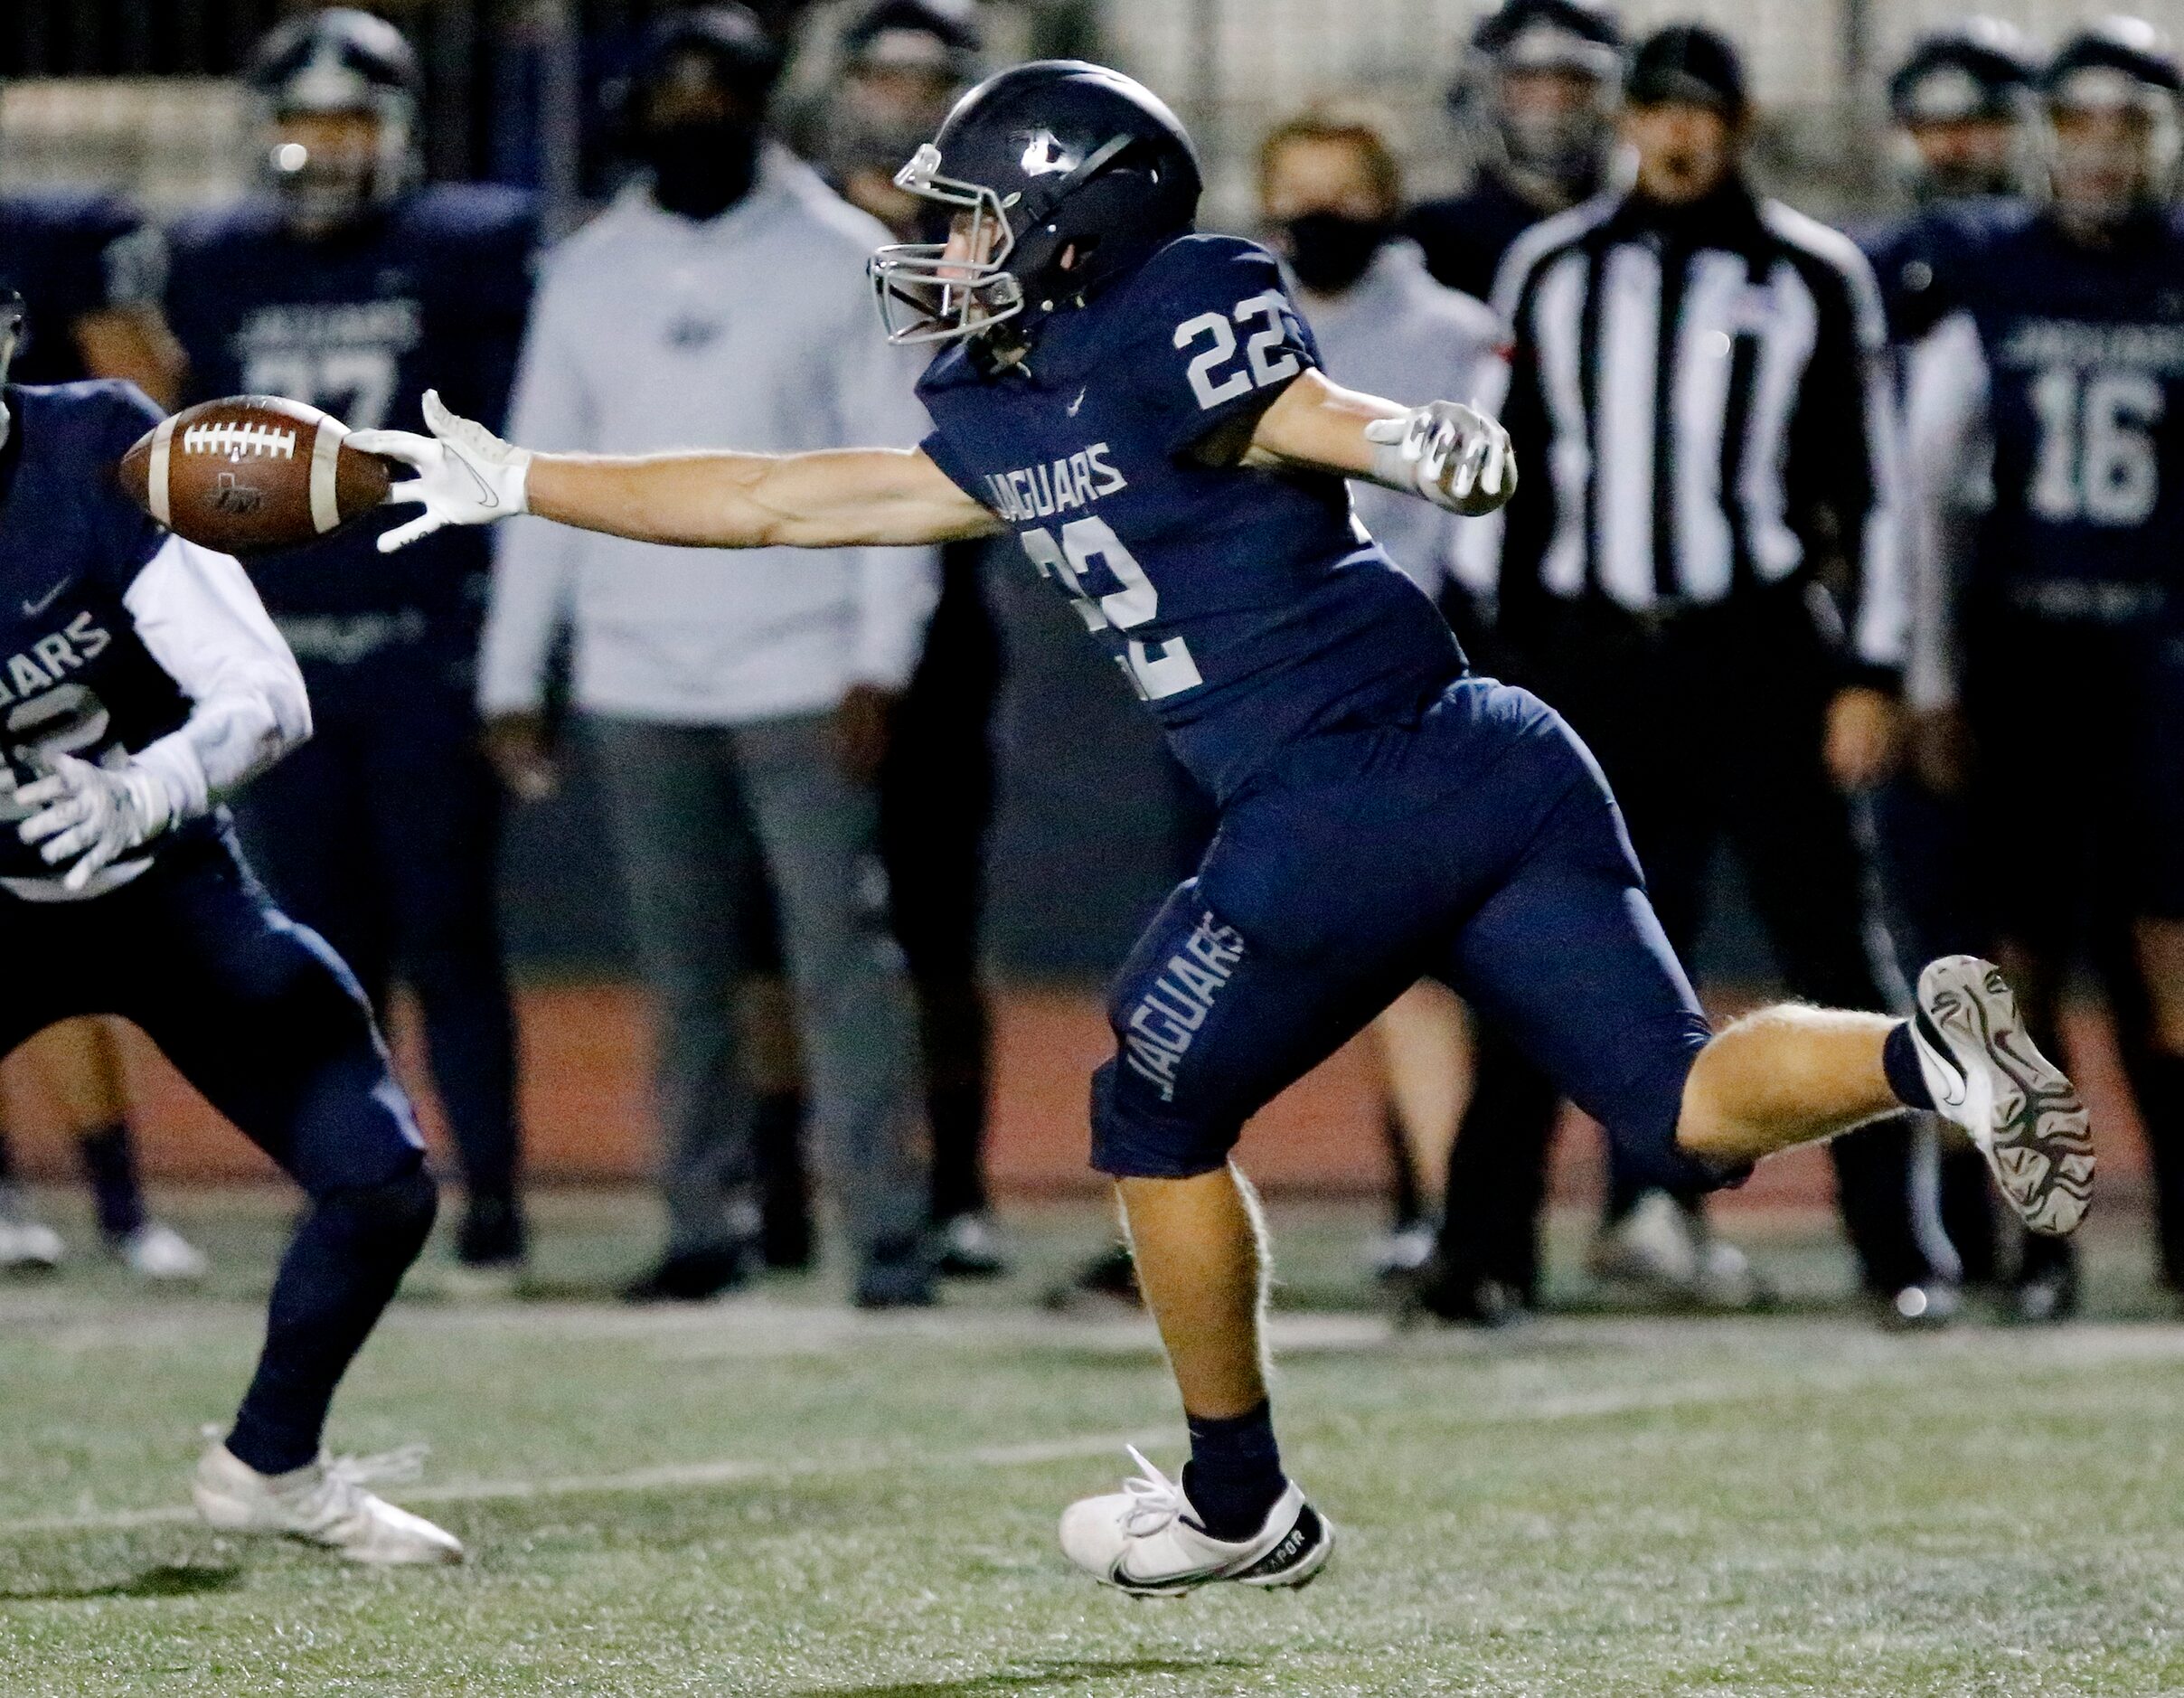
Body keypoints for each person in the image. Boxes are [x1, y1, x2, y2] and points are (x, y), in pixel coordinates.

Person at [360, 56, 2092, 1596]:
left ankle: (1235, 1501)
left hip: (1333, 788)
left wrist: (1414, 443)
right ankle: (1932, 1062)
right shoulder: (991, 403)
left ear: (1066, 222)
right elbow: (770, 497)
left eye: (971, 220)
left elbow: (1290, 409)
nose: (943, 252)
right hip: (1488, 752)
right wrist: (525, 478)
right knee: (1686, 1103)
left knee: (1150, 1105)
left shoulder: (1180, 301)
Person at [1441, 25, 1967, 1329]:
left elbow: (1878, 490)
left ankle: (1900, 1249)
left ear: (1737, 127)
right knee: (1537, 946)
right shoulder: (1553, 267)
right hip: (1587, 654)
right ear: (1630, 123)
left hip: (1757, 652)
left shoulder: (1812, 273)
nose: (1676, 138)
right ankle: (1483, 1251)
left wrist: (1874, 668)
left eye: (1701, 115)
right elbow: (1496, 474)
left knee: (1833, 948)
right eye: (1656, 113)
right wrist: (1490, 662)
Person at [479, 4, 938, 1308]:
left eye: (717, 95)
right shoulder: (586, 268)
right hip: (634, 674)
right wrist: (519, 677)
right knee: (682, 977)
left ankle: (886, 1233)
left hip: (801, 668)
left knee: (841, 964)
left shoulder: (848, 257)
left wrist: (881, 658)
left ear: (760, 105)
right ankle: (701, 1220)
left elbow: (895, 472)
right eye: (670, 95)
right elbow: (533, 478)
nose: (693, 118)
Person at [0, 288, 458, 1563]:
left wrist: (153, 787)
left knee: (378, 1181)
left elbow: (261, 690)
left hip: (156, 878)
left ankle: (271, 1459)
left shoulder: (96, 448)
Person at [165, 8, 538, 1283]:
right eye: (304, 120)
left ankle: (490, 1194)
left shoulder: (463, 249)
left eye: (350, 120)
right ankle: (352, 1182)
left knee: (447, 931)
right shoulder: (215, 262)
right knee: (318, 946)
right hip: (287, 658)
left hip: (420, 645)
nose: (326, 147)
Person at [1904, 17, 2184, 1320]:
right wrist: (1933, 675)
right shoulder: (1989, 276)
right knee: (2009, 970)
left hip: (2159, 656)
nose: (2099, 153)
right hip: (2024, 659)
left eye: (2125, 126)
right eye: (2077, 126)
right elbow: (1929, 489)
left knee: (2166, 967)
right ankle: (2042, 1243)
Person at [1256, 103, 1501, 1285]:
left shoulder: (1455, 333)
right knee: (1230, 964)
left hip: (1400, 684)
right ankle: (1168, 1202)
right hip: (1251, 690)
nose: (1319, 215)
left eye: (1344, 190)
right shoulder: (1230, 326)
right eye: (1295, 190)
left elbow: (1482, 520)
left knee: (1419, 967)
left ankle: (1455, 1218)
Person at [816, 0, 1010, 1278]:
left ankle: (955, 1185)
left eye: (922, 79)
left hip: (940, 611)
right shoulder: (776, 235)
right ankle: (780, 1185)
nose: (897, 101)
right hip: (779, 597)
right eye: (879, 76)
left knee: (938, 927)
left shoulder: (1001, 241)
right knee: (774, 929)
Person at [1859, 16, 2047, 1316]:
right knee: (1947, 960)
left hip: (2061, 652)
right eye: (1941, 119)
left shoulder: (2078, 265)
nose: (1961, 145)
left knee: (2033, 955)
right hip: (1943, 647)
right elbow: (1894, 489)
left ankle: (2042, 1228)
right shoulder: (1882, 274)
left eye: (1982, 116)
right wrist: (1912, 668)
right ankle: (1978, 1222)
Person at [0, 91, 202, 1282]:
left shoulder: (56, 238)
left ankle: (119, 1200)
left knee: (54, 899)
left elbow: (150, 404)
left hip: (34, 609)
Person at [1402, 0, 1624, 303]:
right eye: (1527, 81)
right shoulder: (1435, 236)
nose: (1550, 100)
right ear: (1487, 93)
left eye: (1571, 79)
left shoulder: (1636, 232)